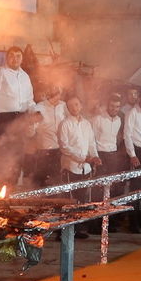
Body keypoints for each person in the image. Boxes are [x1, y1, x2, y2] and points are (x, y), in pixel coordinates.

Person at [57, 96, 98, 239]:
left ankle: (77, 229)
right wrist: (83, 158)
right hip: (71, 167)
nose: (75, 107)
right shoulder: (65, 124)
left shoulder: (86, 124)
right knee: (69, 200)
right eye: (71, 105)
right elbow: (65, 147)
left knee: (81, 199)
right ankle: (64, 231)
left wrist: (95, 157)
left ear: (81, 105)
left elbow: (92, 143)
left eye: (77, 104)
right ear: (68, 108)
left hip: (84, 168)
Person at [121, 86, 141, 231]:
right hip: (137, 154)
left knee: (140, 189)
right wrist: (132, 155)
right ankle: (132, 223)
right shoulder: (132, 112)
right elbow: (127, 135)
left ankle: (138, 219)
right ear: (140, 99)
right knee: (135, 189)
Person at [0, 46, 35, 136]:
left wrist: (32, 117)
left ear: (22, 59)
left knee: (19, 148)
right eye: (11, 56)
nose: (15, 59)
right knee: (2, 148)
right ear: (6, 58)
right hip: (3, 119)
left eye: (18, 56)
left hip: (21, 119)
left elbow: (30, 100)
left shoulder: (25, 76)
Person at [27, 83, 65, 190]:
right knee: (41, 184)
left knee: (57, 184)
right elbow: (30, 133)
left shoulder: (64, 106)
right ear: (47, 94)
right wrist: (31, 122)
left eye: (58, 93)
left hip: (61, 151)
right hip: (43, 152)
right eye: (53, 93)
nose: (56, 96)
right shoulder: (39, 108)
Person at [92, 94, 125, 215]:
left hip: (113, 155)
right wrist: (95, 157)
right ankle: (96, 221)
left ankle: (109, 218)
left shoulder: (118, 120)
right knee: (99, 189)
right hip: (100, 154)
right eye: (112, 106)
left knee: (112, 187)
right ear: (107, 105)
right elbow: (92, 140)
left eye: (117, 107)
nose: (114, 109)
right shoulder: (98, 119)